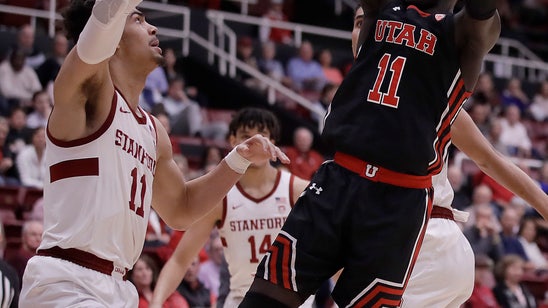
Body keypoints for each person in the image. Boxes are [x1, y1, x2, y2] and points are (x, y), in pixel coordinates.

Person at [19, 1, 289, 307]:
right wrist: (110, 13)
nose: (153, 27)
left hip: (118, 286)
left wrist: (237, 160)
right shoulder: (88, 91)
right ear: (113, 40)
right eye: (138, 20)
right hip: (66, 281)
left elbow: (180, 209)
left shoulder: (153, 131)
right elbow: (100, 27)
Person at [240, 0, 504, 306]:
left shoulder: (464, 31)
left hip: (398, 201)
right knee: (262, 299)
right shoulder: (381, 10)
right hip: (337, 179)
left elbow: (482, 11)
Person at [350, 5, 548, 307]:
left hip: (424, 240)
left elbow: (489, 160)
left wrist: (544, 204)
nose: (360, 30)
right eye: (357, 23)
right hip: (406, 242)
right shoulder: (355, 92)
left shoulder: (417, 88)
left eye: (367, 22)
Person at [150, 107, 309, 308]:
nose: (255, 143)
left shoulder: (297, 189)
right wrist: (155, 302)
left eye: (262, 136)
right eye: (246, 136)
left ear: (273, 142)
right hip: (241, 299)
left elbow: (332, 248)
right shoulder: (220, 196)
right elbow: (180, 260)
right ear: (233, 141)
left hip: (291, 300)